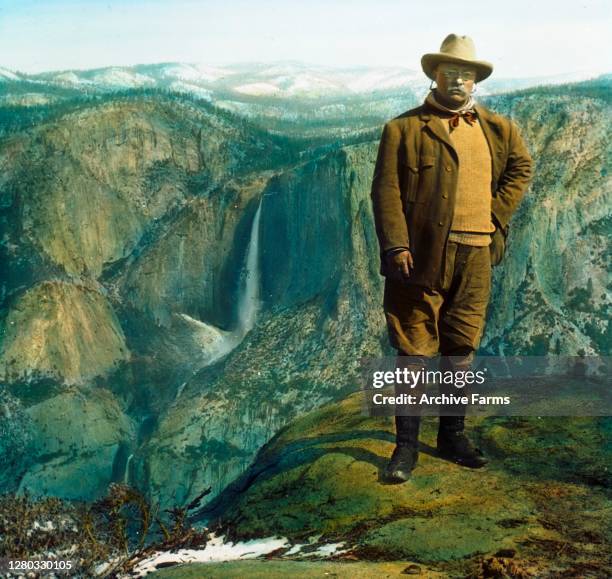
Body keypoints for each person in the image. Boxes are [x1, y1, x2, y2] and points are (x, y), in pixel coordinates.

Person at [370, 34, 533, 483]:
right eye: (450, 72)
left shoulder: (498, 130)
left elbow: (521, 168)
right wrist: (396, 245)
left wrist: (495, 215)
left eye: (466, 74)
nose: (459, 80)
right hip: (419, 258)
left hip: (476, 253)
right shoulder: (402, 130)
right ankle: (405, 448)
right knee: (413, 350)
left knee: (461, 347)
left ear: (476, 81)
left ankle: (452, 435)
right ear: (434, 76)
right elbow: (385, 193)